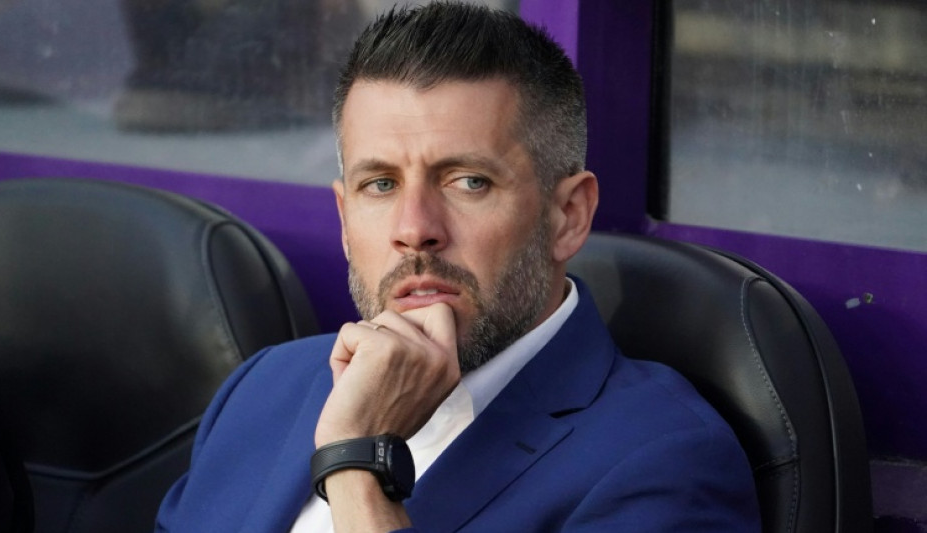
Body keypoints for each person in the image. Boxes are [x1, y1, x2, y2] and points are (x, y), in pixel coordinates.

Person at [155, 2, 760, 531]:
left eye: (469, 181)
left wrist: (356, 468)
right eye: (381, 184)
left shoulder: (662, 459)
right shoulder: (265, 387)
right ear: (343, 219)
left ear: (568, 216)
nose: (415, 228)